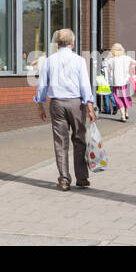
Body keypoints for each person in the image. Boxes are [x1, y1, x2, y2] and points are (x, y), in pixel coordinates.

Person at [34, 27, 96, 190]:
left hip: (57, 104)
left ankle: (63, 180)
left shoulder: (49, 60)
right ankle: (82, 178)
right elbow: (85, 84)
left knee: (60, 142)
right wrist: (90, 105)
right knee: (79, 139)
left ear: (57, 44)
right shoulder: (79, 60)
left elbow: (42, 85)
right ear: (72, 43)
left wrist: (40, 104)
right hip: (76, 103)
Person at [106, 43, 136, 122]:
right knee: (126, 97)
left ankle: (123, 116)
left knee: (119, 99)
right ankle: (126, 113)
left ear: (113, 51)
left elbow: (108, 72)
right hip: (126, 81)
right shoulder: (127, 58)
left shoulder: (111, 60)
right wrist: (130, 68)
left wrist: (108, 80)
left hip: (116, 82)